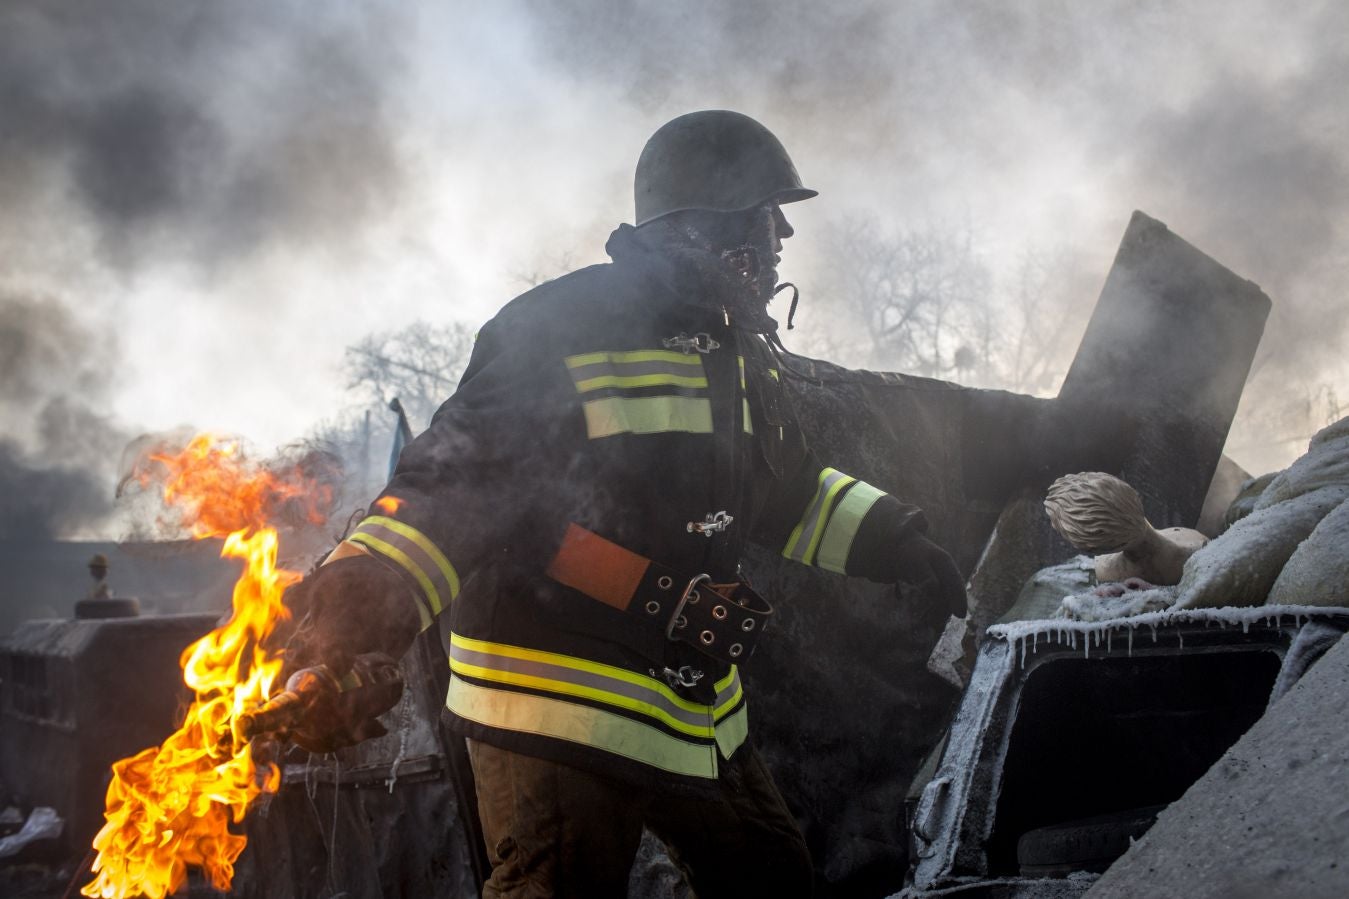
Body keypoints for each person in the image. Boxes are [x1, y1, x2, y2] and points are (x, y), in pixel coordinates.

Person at [285, 110, 967, 898]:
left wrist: (896, 541)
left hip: (693, 708)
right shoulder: (556, 328)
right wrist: (348, 628)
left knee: (775, 881)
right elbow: (454, 489)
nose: (782, 234)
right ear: (704, 223)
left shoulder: (731, 345)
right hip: (552, 708)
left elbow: (780, 490)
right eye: (764, 213)